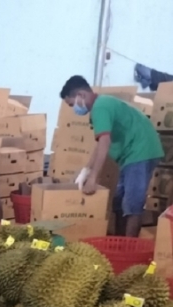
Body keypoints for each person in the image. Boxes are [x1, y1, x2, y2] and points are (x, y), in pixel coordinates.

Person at [60, 75, 163, 237]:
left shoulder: (101, 106)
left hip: (141, 150)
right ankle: (119, 240)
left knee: (132, 204)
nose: (74, 108)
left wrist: (94, 177)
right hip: (131, 154)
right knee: (118, 201)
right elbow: (99, 142)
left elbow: (105, 142)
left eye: (72, 104)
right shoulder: (99, 108)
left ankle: (129, 248)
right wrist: (86, 170)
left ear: (81, 95)